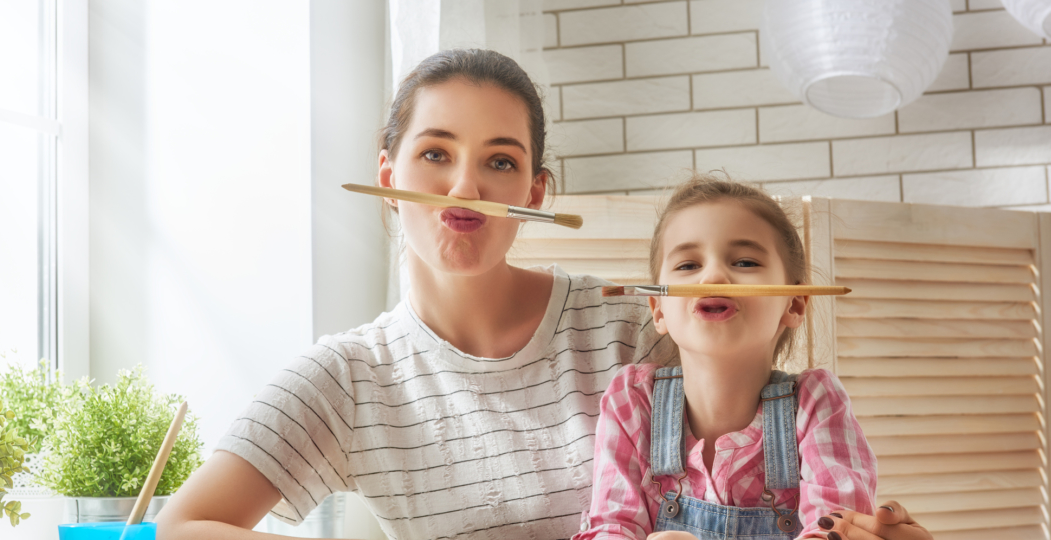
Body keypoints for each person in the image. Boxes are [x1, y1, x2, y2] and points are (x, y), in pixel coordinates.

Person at [156, 49, 933, 540]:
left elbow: (774, 465)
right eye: (435, 153)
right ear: (388, 178)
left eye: (499, 162)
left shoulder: (637, 325)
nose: (465, 185)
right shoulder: (347, 378)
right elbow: (186, 525)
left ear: (535, 189)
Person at [576, 178, 880, 540]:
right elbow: (612, 527)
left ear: (794, 302)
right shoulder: (631, 401)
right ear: (658, 310)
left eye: (746, 261)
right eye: (688, 265)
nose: (714, 275)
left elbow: (841, 526)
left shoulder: (816, 404)